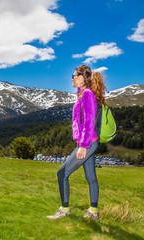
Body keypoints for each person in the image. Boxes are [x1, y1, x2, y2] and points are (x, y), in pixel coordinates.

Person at [47, 65, 106, 222]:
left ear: (81, 78)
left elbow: (89, 121)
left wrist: (83, 146)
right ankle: (94, 212)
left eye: (74, 76)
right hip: (89, 143)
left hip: (87, 143)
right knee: (91, 177)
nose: (72, 79)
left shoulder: (86, 94)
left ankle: (64, 209)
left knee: (62, 173)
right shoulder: (83, 94)